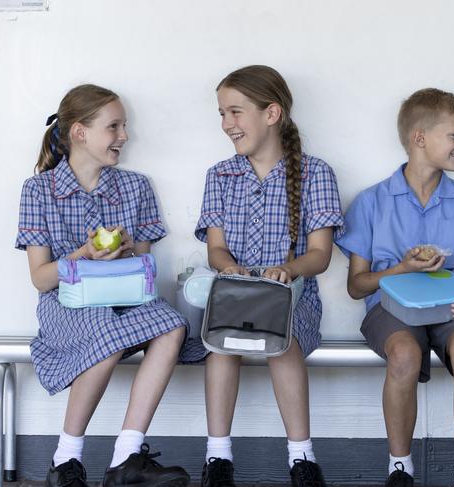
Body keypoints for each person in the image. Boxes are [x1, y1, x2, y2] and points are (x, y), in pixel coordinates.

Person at [15, 84, 196, 487]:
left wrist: (128, 249)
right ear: (80, 132)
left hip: (125, 297)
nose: (124, 136)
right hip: (66, 304)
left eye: (124, 126)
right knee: (104, 329)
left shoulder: (136, 186)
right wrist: (82, 254)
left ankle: (127, 458)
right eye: (114, 126)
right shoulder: (38, 190)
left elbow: (145, 267)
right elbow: (40, 278)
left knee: (172, 324)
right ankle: (66, 460)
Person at [195, 65, 344, 487]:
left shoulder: (316, 173)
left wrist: (287, 270)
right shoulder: (219, 176)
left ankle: (302, 457)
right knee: (219, 343)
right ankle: (218, 458)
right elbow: (216, 248)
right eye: (222, 114)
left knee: (284, 341)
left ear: (272, 114)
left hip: (291, 299)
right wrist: (231, 269)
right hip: (234, 294)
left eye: (236, 112)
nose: (227, 124)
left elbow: (320, 255)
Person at [336, 88, 454, 487]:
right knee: (404, 353)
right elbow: (356, 286)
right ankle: (400, 468)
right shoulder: (372, 202)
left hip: (449, 309)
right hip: (391, 310)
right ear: (420, 137)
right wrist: (402, 268)